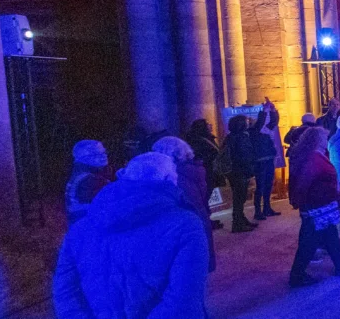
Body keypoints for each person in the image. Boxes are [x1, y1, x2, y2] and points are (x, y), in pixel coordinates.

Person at [53, 152, 209, 317]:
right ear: (169, 179)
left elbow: (65, 291)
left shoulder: (80, 229)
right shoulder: (186, 225)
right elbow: (183, 301)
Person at [288, 126, 340, 286]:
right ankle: (297, 275)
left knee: (330, 236)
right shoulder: (313, 158)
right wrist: (300, 203)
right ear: (316, 140)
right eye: (323, 138)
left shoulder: (317, 155)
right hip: (316, 207)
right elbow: (304, 183)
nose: (326, 140)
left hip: (322, 206)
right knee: (309, 241)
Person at [153, 136, 217, 272]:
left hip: (188, 224)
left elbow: (182, 204)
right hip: (200, 217)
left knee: (189, 267)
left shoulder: (177, 177)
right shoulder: (193, 170)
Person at [221, 114, 258, 233]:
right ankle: (237, 224)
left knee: (240, 198)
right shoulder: (240, 137)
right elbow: (243, 156)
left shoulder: (231, 137)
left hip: (235, 171)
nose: (248, 123)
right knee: (239, 198)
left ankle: (241, 219)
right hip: (240, 171)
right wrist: (250, 169)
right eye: (246, 121)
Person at [185, 119, 223, 228]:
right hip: (204, 172)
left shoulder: (206, 138)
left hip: (209, 171)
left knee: (206, 196)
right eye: (207, 125)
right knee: (203, 197)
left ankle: (207, 219)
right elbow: (199, 157)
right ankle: (204, 221)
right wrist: (212, 156)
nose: (210, 126)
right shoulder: (197, 141)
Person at [64, 140, 111, 225]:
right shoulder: (88, 180)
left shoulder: (82, 173)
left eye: (104, 152)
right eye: (96, 154)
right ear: (84, 158)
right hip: (87, 228)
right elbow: (111, 201)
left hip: (81, 225)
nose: (104, 156)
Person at [252, 103, 281, 220]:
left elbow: (273, 123)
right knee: (260, 186)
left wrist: (273, 110)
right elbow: (260, 122)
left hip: (269, 159)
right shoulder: (254, 131)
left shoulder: (265, 131)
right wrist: (264, 110)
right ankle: (258, 211)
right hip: (260, 161)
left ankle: (267, 208)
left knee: (268, 185)